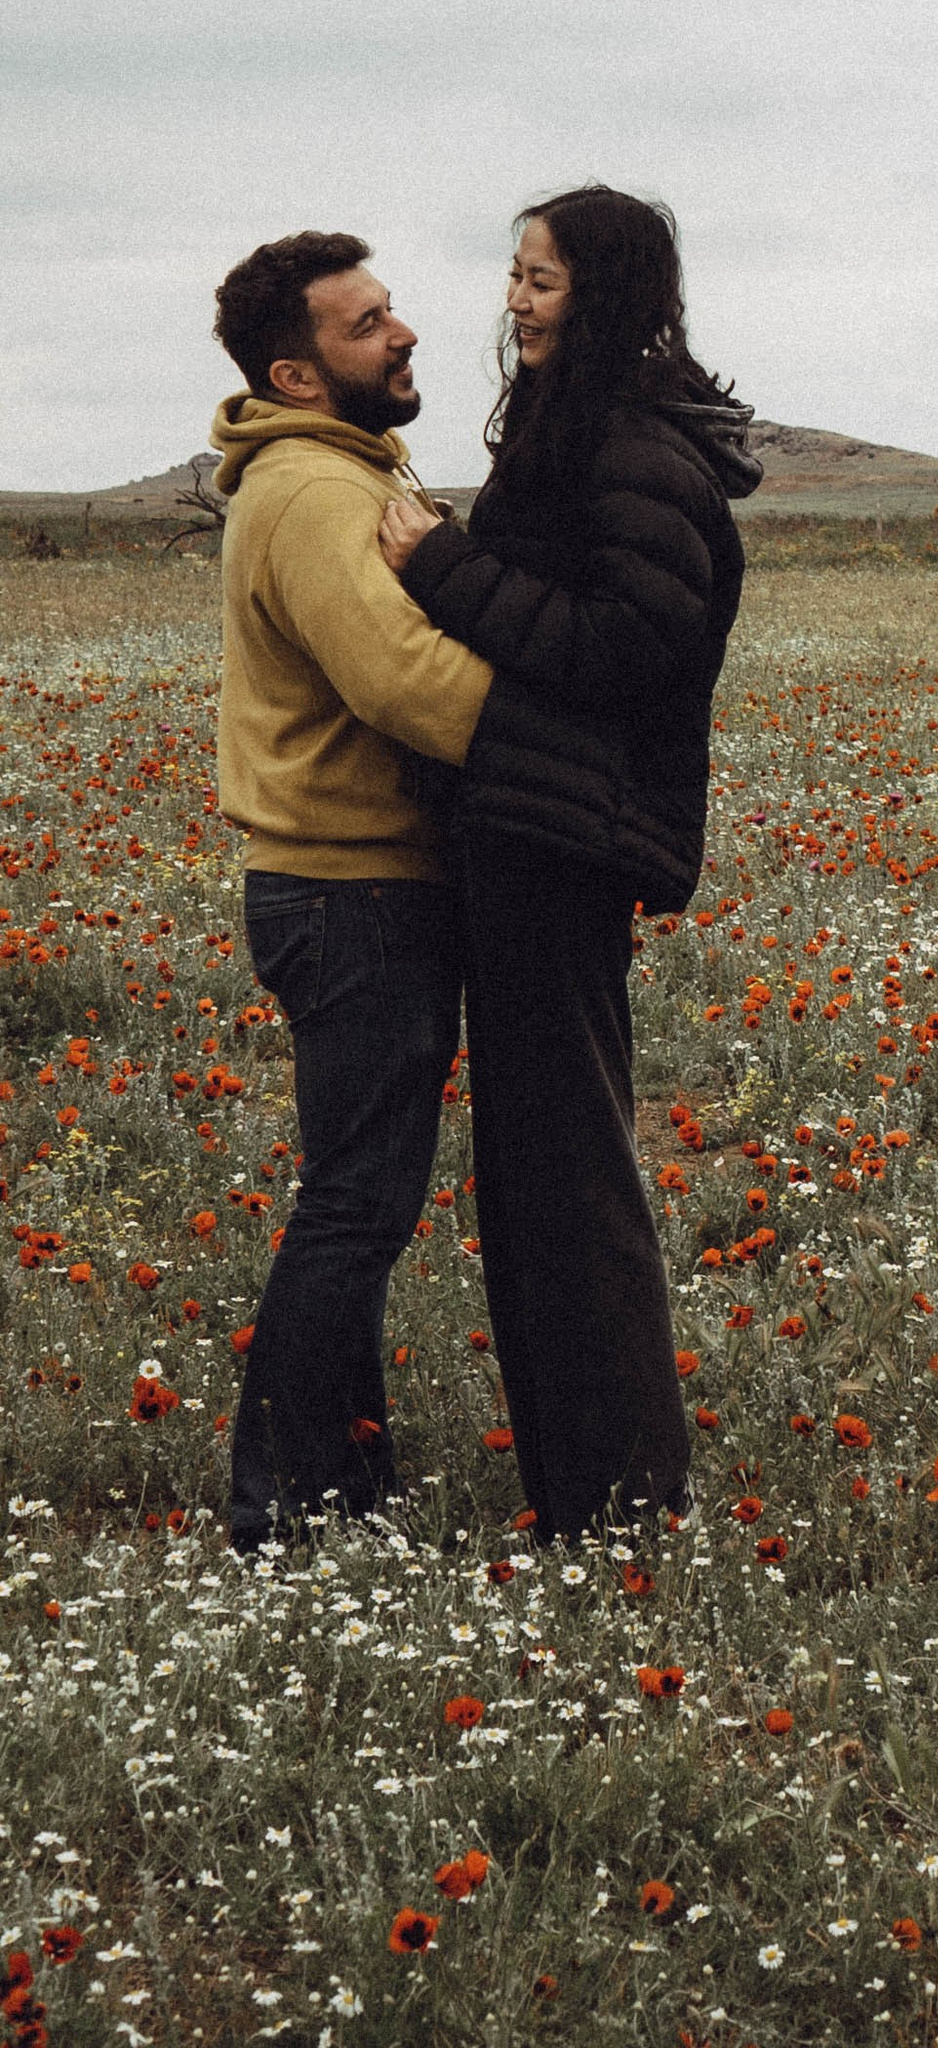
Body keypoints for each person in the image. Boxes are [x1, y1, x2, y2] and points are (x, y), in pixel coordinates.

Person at [378, 185, 760, 1540]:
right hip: (536, 830)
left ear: (601, 290)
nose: (515, 300)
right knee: (536, 1174)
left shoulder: (630, 447)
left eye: (540, 279)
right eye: (515, 275)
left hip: (563, 838)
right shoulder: (586, 429)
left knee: (568, 1174)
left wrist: (444, 568)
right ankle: (588, 1497)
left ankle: (624, 1505)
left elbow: (617, 648)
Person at [209, 233, 496, 1549]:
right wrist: (570, 726)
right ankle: (280, 1503)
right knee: (356, 1204)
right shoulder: (318, 495)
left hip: (342, 890)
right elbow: (402, 683)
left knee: (359, 1196)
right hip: (351, 895)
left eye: (393, 310)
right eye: (368, 322)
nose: (405, 333)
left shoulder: (327, 472)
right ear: (299, 370)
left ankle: (340, 1481)